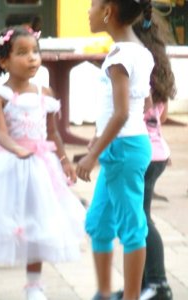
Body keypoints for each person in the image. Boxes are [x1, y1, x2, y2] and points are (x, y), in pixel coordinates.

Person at [0, 26, 86, 300]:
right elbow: (0, 133)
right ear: (4, 61)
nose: (32, 58)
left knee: (38, 223)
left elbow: (52, 133)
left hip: (39, 168)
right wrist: (17, 149)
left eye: (35, 52)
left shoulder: (45, 93)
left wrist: (64, 161)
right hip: (5, 168)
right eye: (23, 53)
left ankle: (34, 285)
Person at [76, 1, 155, 299]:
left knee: (132, 227)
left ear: (108, 11)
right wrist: (99, 140)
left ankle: (131, 296)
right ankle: (105, 293)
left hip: (123, 148)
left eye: (93, 5)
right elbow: (142, 104)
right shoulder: (141, 52)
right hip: (123, 147)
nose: (88, 11)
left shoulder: (119, 56)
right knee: (98, 224)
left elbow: (121, 113)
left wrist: (93, 153)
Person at [133, 12, 175, 300]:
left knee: (142, 219)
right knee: (138, 218)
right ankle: (145, 283)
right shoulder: (159, 70)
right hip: (157, 154)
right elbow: (164, 115)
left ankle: (159, 284)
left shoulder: (137, 70)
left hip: (144, 155)